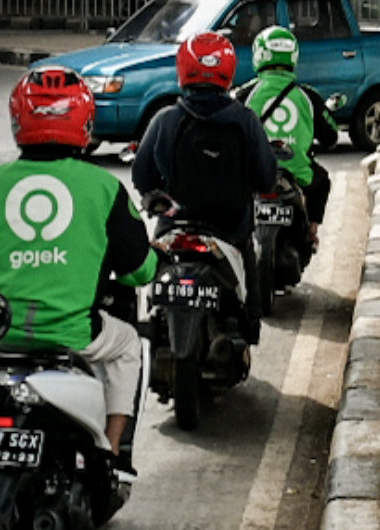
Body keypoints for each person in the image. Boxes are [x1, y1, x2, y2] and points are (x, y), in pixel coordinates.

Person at [0, 68, 154, 471]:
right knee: (129, 344)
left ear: (18, 121)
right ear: (85, 122)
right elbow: (139, 270)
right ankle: (112, 452)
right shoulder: (104, 187)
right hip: (73, 336)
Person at [130, 29, 281, 343]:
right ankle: (250, 325)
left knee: (150, 280)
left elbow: (142, 177)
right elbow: (267, 178)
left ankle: (151, 322)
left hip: (174, 228)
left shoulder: (165, 119)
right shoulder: (246, 121)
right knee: (248, 265)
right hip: (230, 230)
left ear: (183, 68)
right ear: (228, 71)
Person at [235, 24, 334, 243]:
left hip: (256, 173)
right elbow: (331, 137)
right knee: (322, 182)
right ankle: (312, 231)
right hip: (299, 174)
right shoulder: (308, 96)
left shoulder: (245, 95)